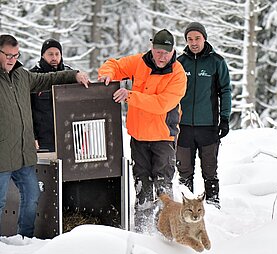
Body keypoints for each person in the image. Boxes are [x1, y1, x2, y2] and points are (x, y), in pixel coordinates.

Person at [0, 34, 89, 238]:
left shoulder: (23, 76)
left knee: (32, 196)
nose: (12, 59)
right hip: (2, 154)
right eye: (8, 55)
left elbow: (49, 79)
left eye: (16, 55)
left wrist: (74, 75)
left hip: (23, 154)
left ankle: (26, 239)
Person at [98, 29, 187, 233]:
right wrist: (107, 76)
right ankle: (142, 232)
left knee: (163, 185)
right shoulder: (140, 62)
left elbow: (161, 104)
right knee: (141, 185)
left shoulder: (178, 74)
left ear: (173, 51)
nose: (161, 57)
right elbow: (114, 64)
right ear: (152, 48)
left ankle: (168, 231)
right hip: (138, 137)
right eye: (158, 51)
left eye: (166, 53)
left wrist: (130, 96)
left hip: (163, 137)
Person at [176, 22, 232, 209]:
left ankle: (213, 206)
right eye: (190, 39)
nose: (193, 42)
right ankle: (187, 208)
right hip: (182, 127)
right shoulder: (179, 63)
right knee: (184, 173)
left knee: (209, 171)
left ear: (204, 38)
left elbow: (225, 91)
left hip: (208, 127)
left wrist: (224, 118)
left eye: (197, 38)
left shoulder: (217, 62)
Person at [30, 38, 73, 152]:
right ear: (43, 55)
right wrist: (32, 136)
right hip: (43, 139)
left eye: (57, 54)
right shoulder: (34, 77)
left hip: (69, 137)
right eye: (50, 54)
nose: (54, 58)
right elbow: (26, 111)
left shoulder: (71, 75)